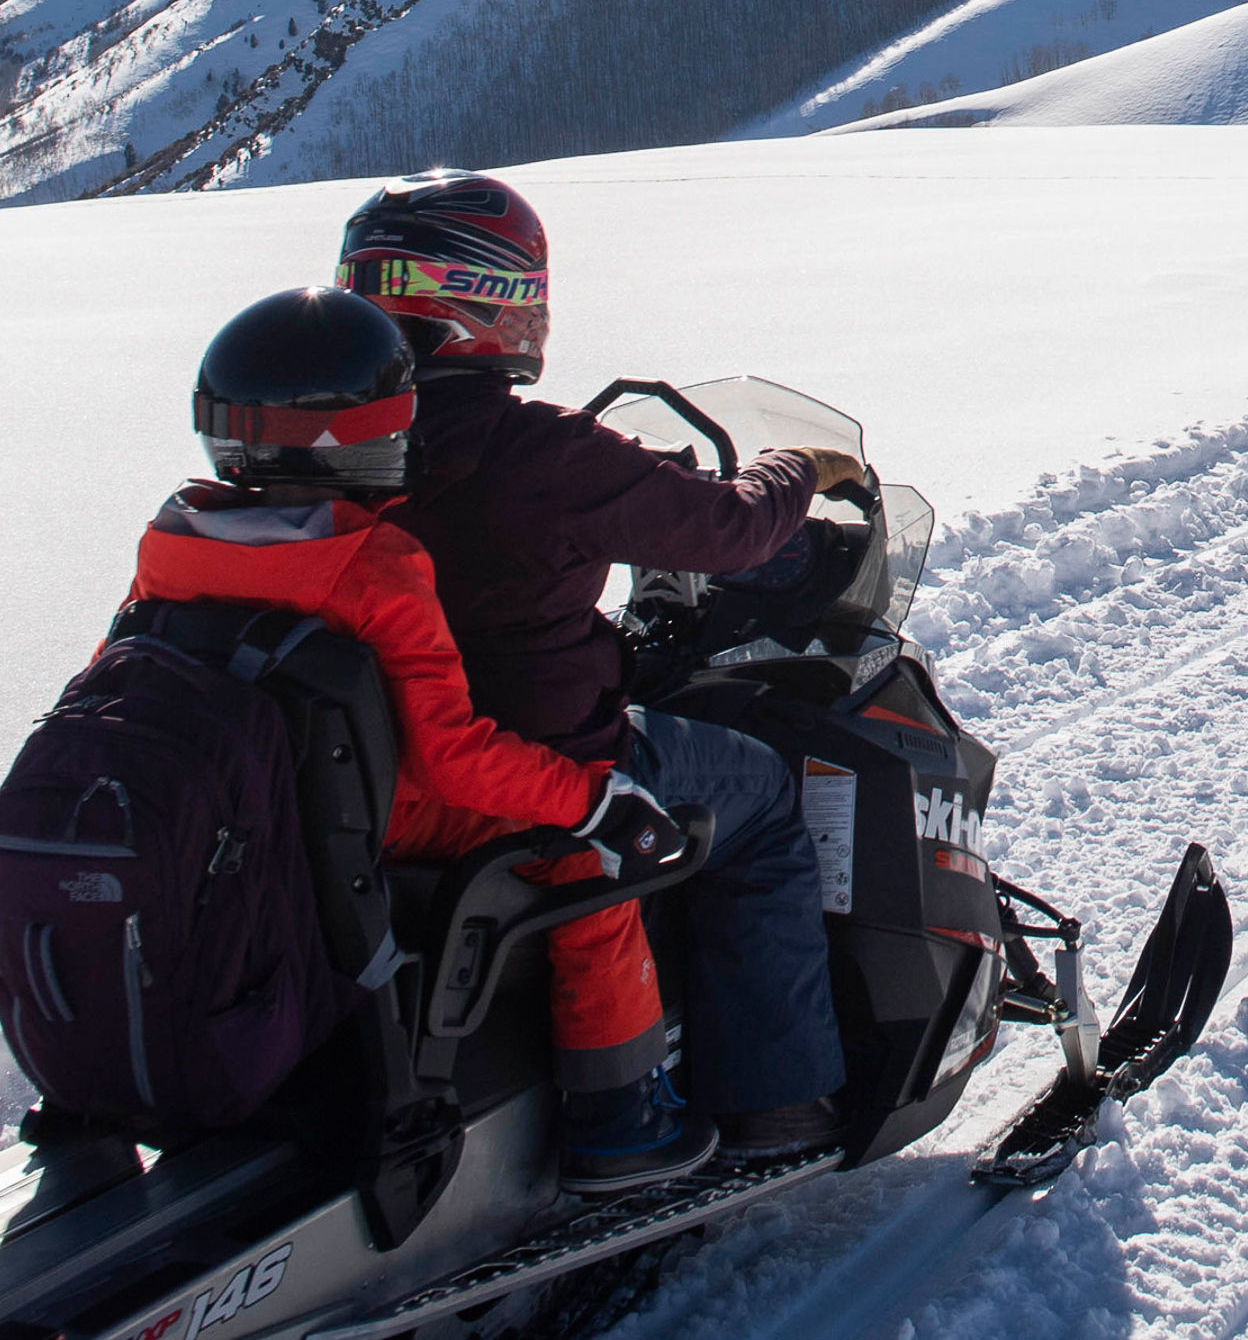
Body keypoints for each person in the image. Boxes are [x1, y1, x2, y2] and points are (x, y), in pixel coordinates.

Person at [142, 286, 714, 1194]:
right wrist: (594, 801)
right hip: (380, 820)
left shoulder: (175, 535)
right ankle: (618, 1116)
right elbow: (454, 752)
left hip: (248, 817)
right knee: (586, 860)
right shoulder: (376, 558)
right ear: (373, 434)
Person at [337, 173, 856, 1164]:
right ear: (487, 301)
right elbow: (731, 528)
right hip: (550, 762)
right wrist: (801, 467)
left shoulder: (334, 440)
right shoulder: (536, 449)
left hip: (389, 774)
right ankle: (779, 1099)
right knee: (761, 798)